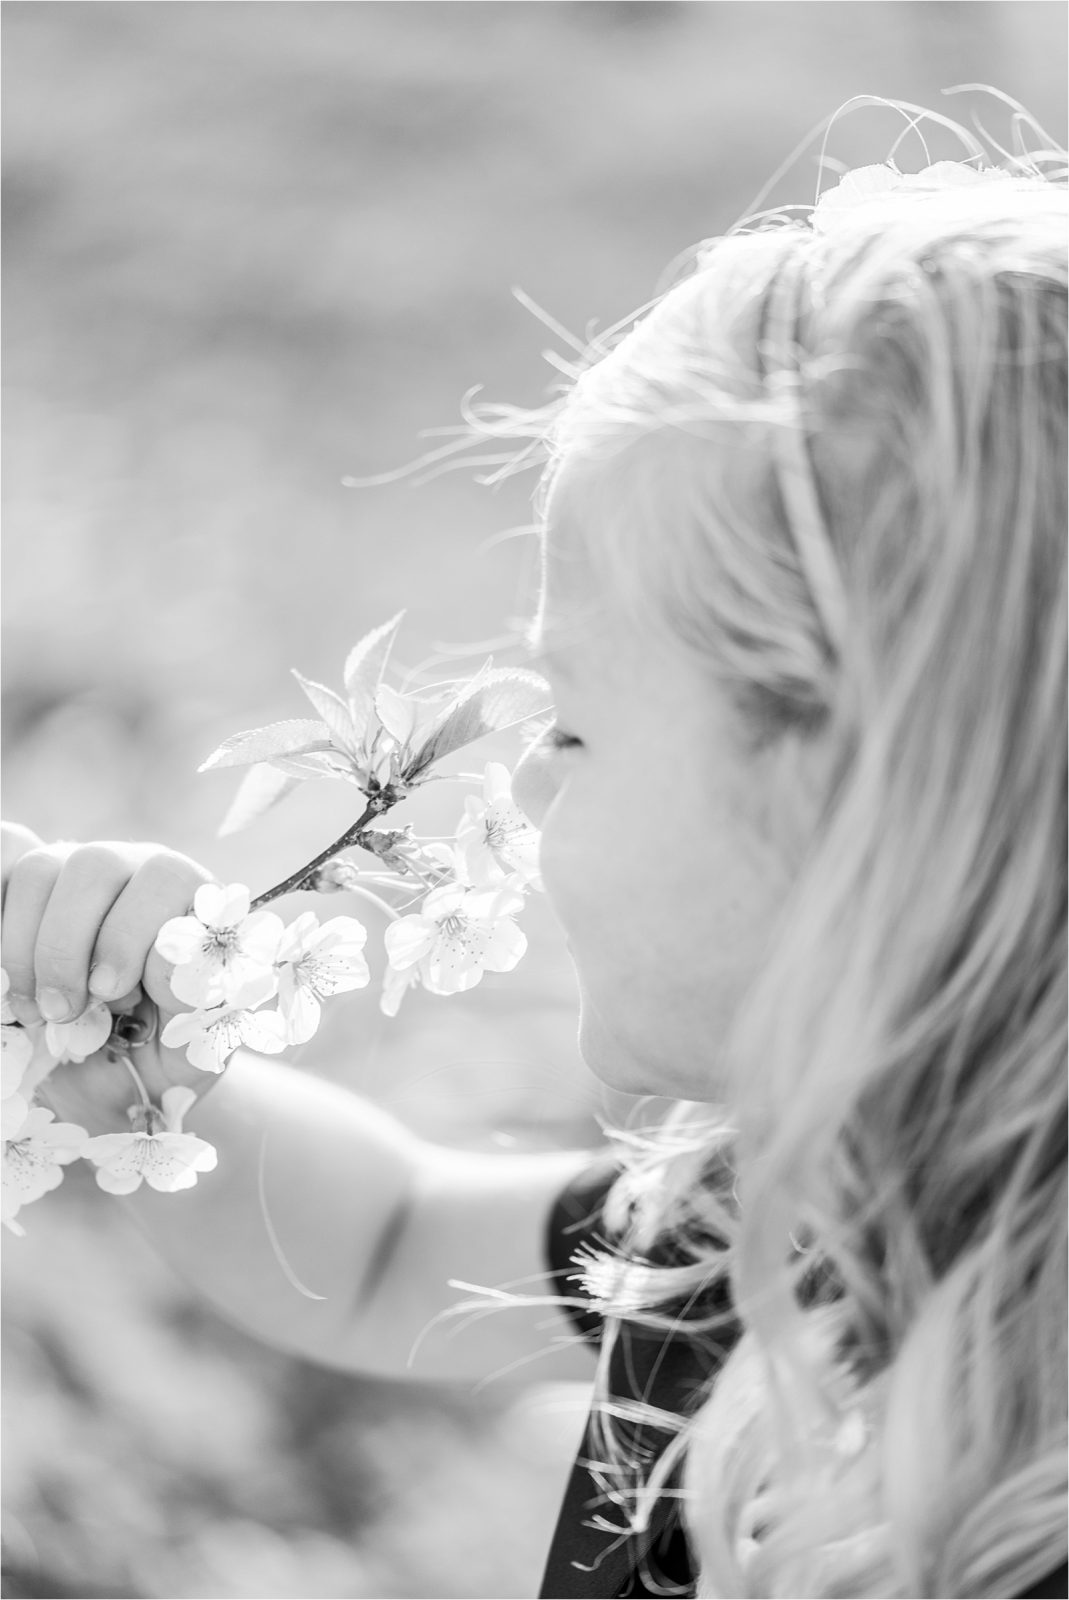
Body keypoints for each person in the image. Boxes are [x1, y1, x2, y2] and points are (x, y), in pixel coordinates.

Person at [2, 103, 1066, 1598]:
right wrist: (156, 1072)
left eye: (570, 728)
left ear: (849, 805)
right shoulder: (780, 1215)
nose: (529, 789)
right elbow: (379, 1247)